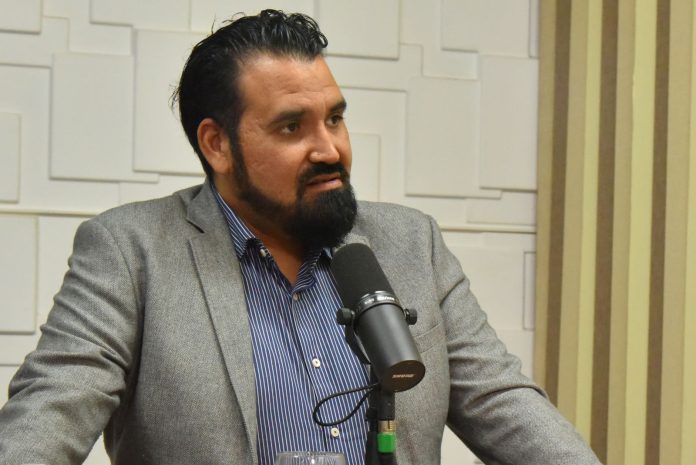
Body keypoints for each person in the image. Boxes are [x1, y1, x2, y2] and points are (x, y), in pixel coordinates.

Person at [0, 9, 601, 465]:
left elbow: (505, 406)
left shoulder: (409, 243)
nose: (330, 148)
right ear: (217, 144)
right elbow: (51, 412)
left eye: (335, 118)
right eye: (292, 127)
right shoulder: (132, 251)